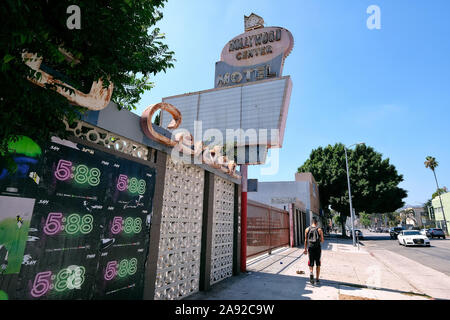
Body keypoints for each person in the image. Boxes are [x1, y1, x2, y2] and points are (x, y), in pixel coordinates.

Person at [303, 217, 324, 285]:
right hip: (317, 248)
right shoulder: (319, 230)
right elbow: (322, 241)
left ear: (312, 222)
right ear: (316, 223)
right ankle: (317, 279)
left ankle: (311, 272)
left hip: (310, 248)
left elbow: (305, 240)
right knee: (318, 263)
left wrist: (305, 249)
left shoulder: (307, 229)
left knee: (311, 262)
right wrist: (319, 239)